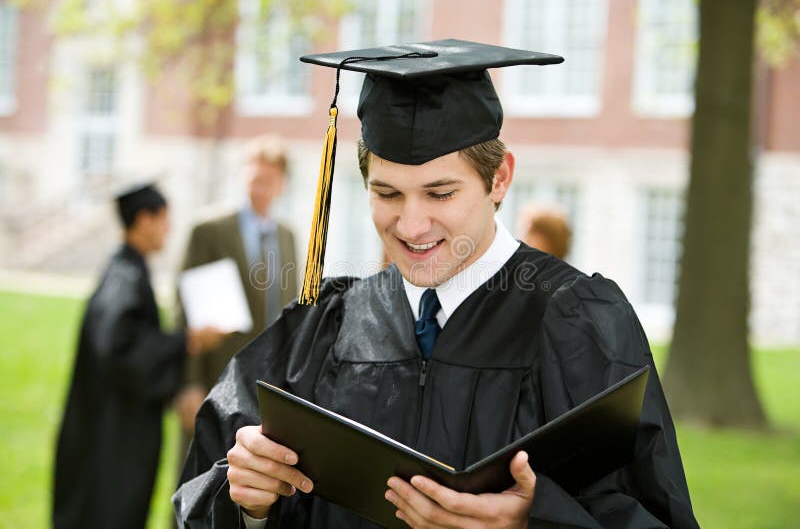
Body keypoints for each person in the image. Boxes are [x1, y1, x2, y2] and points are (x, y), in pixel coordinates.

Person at [174, 40, 699, 528]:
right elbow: (202, 487)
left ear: (500, 179)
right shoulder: (327, 326)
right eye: (388, 193)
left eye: (440, 193)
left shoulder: (576, 321)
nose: (410, 226)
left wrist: (532, 520)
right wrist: (248, 504)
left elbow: (652, 512)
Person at [53, 184, 224, 529]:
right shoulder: (126, 277)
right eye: (164, 219)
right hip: (113, 434)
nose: (168, 228)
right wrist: (186, 341)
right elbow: (120, 350)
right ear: (144, 220)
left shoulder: (126, 270)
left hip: (109, 425)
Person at [173, 135, 298, 452]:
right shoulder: (210, 229)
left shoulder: (287, 237)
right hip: (216, 375)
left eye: (268, 181)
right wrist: (189, 382)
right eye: (254, 179)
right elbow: (184, 307)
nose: (259, 189)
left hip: (266, 384)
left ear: (282, 184)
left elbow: (291, 311)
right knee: (196, 478)